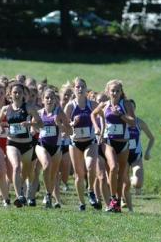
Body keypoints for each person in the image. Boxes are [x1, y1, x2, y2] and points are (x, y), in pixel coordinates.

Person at [0, 82, 42, 208]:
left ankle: (26, 192)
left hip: (27, 145)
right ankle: (19, 196)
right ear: (10, 94)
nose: (17, 94)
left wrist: (30, 125)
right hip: (12, 143)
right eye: (15, 92)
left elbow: (41, 124)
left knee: (27, 173)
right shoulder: (6, 109)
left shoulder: (29, 108)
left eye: (20, 92)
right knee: (15, 167)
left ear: (23, 94)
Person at [91, 80, 135, 213]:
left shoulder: (126, 105)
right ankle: (113, 199)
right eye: (112, 91)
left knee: (121, 174)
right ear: (108, 92)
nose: (115, 93)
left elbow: (133, 122)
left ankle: (117, 204)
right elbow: (93, 114)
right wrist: (97, 127)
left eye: (117, 91)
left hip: (123, 142)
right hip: (108, 141)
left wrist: (121, 115)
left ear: (121, 92)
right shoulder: (104, 105)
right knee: (113, 167)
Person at [64, 78, 98, 211]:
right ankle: (81, 203)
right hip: (75, 143)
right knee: (79, 174)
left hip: (90, 141)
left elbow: (102, 115)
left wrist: (99, 128)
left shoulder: (92, 105)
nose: (80, 89)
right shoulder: (70, 106)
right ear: (74, 89)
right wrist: (72, 124)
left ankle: (90, 191)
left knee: (90, 166)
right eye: (77, 87)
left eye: (82, 87)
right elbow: (65, 126)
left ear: (86, 89)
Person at [36, 88, 69, 208]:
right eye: (47, 98)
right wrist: (32, 126)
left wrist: (59, 124)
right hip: (42, 145)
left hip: (56, 147)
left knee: (54, 174)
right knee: (46, 165)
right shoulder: (39, 113)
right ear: (42, 99)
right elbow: (33, 129)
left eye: (52, 98)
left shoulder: (59, 112)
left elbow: (69, 131)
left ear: (55, 100)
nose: (49, 100)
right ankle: (48, 195)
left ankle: (49, 195)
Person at [123, 99, 154, 212]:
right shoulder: (121, 121)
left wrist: (147, 152)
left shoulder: (139, 122)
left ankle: (131, 179)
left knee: (138, 184)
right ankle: (123, 200)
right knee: (124, 182)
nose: (130, 110)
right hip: (123, 155)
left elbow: (151, 138)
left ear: (134, 109)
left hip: (136, 156)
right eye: (128, 108)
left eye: (132, 108)